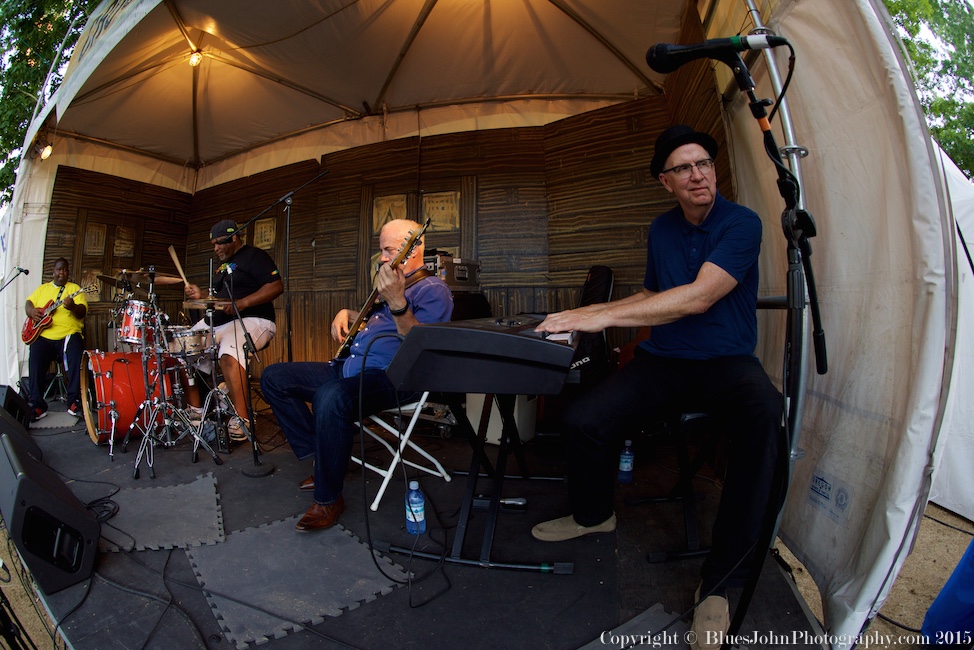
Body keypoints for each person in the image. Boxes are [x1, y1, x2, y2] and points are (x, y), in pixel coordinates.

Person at [532, 125, 783, 649]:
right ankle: (593, 515)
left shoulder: (743, 223)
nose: (699, 174)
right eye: (684, 168)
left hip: (726, 362)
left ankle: (718, 584)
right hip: (665, 360)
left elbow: (696, 298)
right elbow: (654, 291)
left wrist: (592, 316)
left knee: (764, 415)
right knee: (582, 418)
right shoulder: (661, 229)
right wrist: (593, 316)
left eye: (704, 164)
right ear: (664, 181)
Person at [260, 218, 453, 532]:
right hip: (348, 370)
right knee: (273, 377)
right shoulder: (395, 284)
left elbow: (421, 347)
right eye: (381, 250)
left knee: (331, 397)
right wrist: (348, 314)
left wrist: (397, 301)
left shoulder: (433, 289)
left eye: (390, 250)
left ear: (414, 248)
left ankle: (328, 497)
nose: (382, 258)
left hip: (393, 379)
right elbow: (379, 325)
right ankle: (324, 461)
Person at [184, 220, 283, 441]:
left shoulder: (254, 256)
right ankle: (196, 412)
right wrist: (201, 296)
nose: (216, 248)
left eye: (219, 243)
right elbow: (219, 300)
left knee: (229, 351)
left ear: (234, 238)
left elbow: (276, 286)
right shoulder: (221, 268)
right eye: (213, 245)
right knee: (185, 347)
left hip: (254, 319)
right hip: (220, 322)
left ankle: (242, 418)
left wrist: (243, 302)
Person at [24, 258, 88, 421]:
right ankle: (37, 404)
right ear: (53, 271)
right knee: (35, 353)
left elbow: (82, 312)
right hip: (44, 337)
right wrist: (32, 312)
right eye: (59, 269)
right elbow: (29, 303)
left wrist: (73, 306)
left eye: (65, 270)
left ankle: (74, 401)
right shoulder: (42, 289)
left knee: (75, 349)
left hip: (68, 335)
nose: (62, 272)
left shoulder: (74, 289)